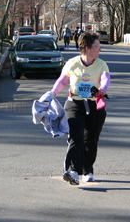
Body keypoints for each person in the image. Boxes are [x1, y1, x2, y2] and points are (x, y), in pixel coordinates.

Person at [50, 31, 110, 185]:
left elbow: (105, 79)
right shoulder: (72, 63)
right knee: (76, 137)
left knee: (91, 139)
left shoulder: (101, 64)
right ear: (88, 48)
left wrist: (103, 89)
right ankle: (72, 171)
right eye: (97, 46)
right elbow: (62, 80)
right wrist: (53, 93)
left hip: (94, 104)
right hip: (75, 103)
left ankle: (88, 170)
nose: (99, 49)